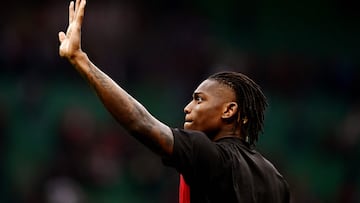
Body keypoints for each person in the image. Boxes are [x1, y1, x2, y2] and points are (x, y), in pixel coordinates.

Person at [58, 0, 290, 202]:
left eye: (199, 100)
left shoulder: (207, 152)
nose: (187, 108)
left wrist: (82, 62)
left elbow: (141, 123)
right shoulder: (276, 180)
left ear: (229, 110)